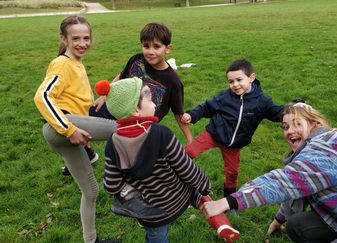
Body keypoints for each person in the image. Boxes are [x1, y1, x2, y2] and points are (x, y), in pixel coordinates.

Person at [201, 104, 337, 243]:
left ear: (314, 124)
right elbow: (298, 185)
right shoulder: (316, 147)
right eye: (285, 126)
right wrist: (279, 219)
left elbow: (284, 182)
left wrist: (226, 202)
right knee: (297, 224)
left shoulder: (329, 148)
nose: (289, 131)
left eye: (297, 124)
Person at [96, 78, 241, 242]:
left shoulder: (112, 144)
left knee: (157, 238)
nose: (154, 104)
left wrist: (132, 188)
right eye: (150, 100)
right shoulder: (161, 134)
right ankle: (218, 220)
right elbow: (186, 169)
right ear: (136, 110)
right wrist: (204, 184)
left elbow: (111, 185)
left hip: (154, 213)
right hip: (180, 196)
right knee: (197, 193)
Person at [34, 15, 120, 243]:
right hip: (61, 127)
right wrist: (70, 129)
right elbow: (42, 96)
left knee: (91, 191)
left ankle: (90, 241)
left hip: (64, 131)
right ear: (64, 39)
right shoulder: (62, 63)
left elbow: (75, 100)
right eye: (76, 38)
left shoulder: (76, 63)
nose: (82, 43)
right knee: (123, 129)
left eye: (86, 38)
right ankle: (139, 180)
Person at [181, 59, 287, 197]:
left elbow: (277, 112)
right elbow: (207, 107)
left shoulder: (262, 101)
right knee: (189, 152)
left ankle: (229, 200)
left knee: (232, 173)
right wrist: (192, 114)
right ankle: (169, 175)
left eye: (239, 80)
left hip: (234, 145)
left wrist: (295, 107)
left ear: (251, 78)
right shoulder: (225, 97)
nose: (235, 85)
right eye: (231, 82)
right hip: (213, 134)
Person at [90, 22, 193, 144]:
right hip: (118, 112)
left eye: (156, 46)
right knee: (83, 118)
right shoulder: (137, 60)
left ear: (168, 48)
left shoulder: (173, 80)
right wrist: (103, 96)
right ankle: (87, 152)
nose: (150, 51)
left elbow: (178, 113)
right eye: (146, 46)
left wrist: (190, 140)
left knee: (131, 155)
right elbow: (121, 75)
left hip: (141, 128)